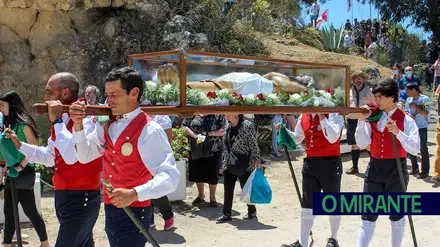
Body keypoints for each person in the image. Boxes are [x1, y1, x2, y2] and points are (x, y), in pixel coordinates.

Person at [69, 67, 180, 247]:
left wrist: (135, 193)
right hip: (112, 209)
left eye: (114, 94)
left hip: (135, 211)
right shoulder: (108, 124)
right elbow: (84, 155)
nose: (108, 100)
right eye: (107, 95)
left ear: (134, 93)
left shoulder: (149, 130)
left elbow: (170, 177)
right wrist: (78, 126)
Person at [5, 73, 102, 247]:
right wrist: (21, 146)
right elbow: (50, 157)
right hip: (67, 197)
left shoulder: (86, 119)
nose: (46, 97)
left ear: (64, 93)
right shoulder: (62, 122)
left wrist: (56, 121)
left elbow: (72, 157)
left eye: (49, 92)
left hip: (81, 198)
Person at [355, 78, 420, 247]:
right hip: (375, 169)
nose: (376, 100)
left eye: (379, 97)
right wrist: (361, 121)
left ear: (391, 97)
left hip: (396, 171)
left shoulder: (406, 119)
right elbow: (361, 143)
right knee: (368, 214)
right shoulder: (373, 117)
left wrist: (398, 133)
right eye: (375, 96)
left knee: (397, 215)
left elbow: (415, 148)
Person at [280, 112, 344, 247]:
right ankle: (303, 242)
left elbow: (332, 138)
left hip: (331, 164)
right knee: (307, 204)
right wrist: (285, 132)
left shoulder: (334, 115)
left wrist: (322, 118)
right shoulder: (304, 116)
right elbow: (298, 138)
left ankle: (333, 238)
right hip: (310, 163)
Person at [0, 91, 50, 247]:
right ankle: (6, 244)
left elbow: (34, 148)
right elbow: (8, 152)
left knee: (30, 211)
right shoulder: (8, 125)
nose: (0, 109)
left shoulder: (24, 124)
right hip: (11, 172)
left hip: (24, 172)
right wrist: (4, 171)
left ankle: (45, 243)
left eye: (2, 105)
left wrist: (21, 165)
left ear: (11, 104)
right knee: (9, 212)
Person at [217, 114, 260, 223]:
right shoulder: (228, 126)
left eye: (228, 113)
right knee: (228, 189)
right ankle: (226, 214)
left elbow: (253, 144)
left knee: (246, 188)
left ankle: (251, 211)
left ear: (236, 114)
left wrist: (256, 159)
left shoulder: (247, 125)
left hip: (244, 162)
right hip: (229, 162)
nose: (226, 115)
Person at [182, 114, 227, 207]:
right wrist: (194, 135)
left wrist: (211, 133)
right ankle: (200, 196)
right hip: (196, 147)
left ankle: (212, 198)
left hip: (213, 148)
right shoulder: (192, 113)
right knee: (198, 172)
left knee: (212, 174)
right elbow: (184, 126)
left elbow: (223, 130)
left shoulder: (218, 115)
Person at [149, 114, 176, 231]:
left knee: (156, 189)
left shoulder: (161, 117)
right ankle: (149, 219)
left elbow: (168, 140)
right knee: (143, 188)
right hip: (139, 158)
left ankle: (168, 215)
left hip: (157, 159)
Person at [346, 71, 374, 175]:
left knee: (368, 144)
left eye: (360, 78)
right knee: (354, 144)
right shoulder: (348, 92)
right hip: (352, 120)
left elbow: (375, 105)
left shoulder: (369, 91)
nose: (358, 80)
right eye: (356, 78)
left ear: (364, 80)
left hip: (366, 121)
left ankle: (375, 166)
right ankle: (355, 167)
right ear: (353, 80)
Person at [404, 82, 431, 179]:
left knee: (423, 149)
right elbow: (406, 111)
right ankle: (415, 168)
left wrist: (416, 107)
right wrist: (408, 114)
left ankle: (425, 171)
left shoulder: (425, 99)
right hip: (412, 127)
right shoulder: (408, 99)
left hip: (422, 127)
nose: (406, 92)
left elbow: (425, 112)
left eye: (407, 90)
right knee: (411, 147)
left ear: (413, 90)